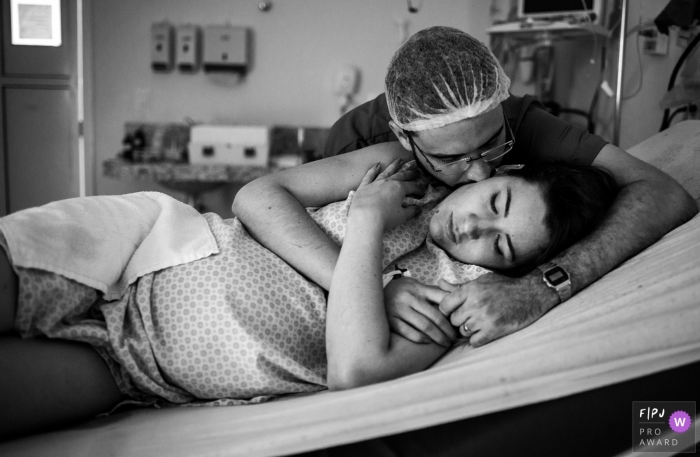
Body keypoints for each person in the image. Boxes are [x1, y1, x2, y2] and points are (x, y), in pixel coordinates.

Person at [0, 158, 615, 440]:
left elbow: (355, 371)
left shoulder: (456, 300)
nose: (476, 229)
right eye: (498, 204)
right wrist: (375, 274)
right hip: (139, 249)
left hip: (136, 366)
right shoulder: (397, 172)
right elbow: (254, 197)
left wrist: (368, 226)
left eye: (502, 248)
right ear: (494, 174)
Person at [235, 26, 697, 349]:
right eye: (450, 160)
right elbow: (266, 204)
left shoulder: (521, 120)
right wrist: (374, 289)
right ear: (402, 137)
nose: (478, 174)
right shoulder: (358, 144)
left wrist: (545, 284)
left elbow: (663, 193)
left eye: (493, 146)